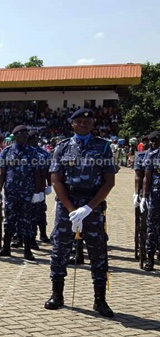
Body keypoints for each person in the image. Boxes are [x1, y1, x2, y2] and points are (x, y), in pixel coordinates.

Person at [45, 108, 116, 318]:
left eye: (88, 121)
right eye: (79, 121)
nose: (83, 124)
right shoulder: (62, 147)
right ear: (72, 123)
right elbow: (56, 180)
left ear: (93, 124)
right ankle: (57, 295)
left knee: (98, 253)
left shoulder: (103, 148)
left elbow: (109, 181)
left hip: (92, 206)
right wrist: (72, 210)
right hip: (67, 206)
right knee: (60, 250)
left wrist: (87, 208)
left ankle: (100, 300)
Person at [0, 125, 41, 261]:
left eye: (26, 134)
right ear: (15, 136)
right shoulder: (7, 152)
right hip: (11, 192)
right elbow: (2, 173)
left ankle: (27, 251)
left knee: (26, 221)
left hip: (27, 192)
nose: (25, 136)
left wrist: (38, 191)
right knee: (9, 220)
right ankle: (6, 248)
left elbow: (37, 173)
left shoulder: (32, 152)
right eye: (22, 134)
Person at [140, 131, 160, 271]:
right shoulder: (152, 155)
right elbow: (147, 177)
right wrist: (144, 196)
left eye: (155, 141)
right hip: (156, 196)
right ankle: (150, 257)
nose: (152, 143)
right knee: (152, 227)